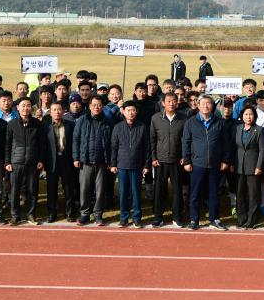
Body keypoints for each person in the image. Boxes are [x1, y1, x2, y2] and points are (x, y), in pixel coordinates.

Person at [183, 95, 231, 231]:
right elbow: (186, 142)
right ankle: (194, 219)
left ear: (212, 106)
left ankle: (214, 219)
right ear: (198, 106)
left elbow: (226, 144)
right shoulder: (191, 122)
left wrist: (225, 160)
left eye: (209, 104)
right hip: (197, 164)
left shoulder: (220, 122)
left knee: (214, 194)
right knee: (195, 194)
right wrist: (186, 160)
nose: (206, 106)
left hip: (215, 164)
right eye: (203, 104)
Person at [110, 100, 151, 228]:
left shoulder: (142, 127)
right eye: (128, 110)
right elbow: (113, 147)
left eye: (133, 110)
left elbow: (147, 148)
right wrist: (113, 164)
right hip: (122, 165)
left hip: (137, 166)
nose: (131, 113)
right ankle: (123, 217)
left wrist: (147, 165)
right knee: (123, 193)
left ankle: (137, 217)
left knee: (136, 193)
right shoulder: (117, 127)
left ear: (136, 112)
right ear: (123, 112)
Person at [5, 98, 46, 225]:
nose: (25, 108)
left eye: (28, 106)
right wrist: (7, 162)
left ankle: (31, 214)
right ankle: (15, 215)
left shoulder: (37, 124)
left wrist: (41, 160)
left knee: (32, 190)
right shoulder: (11, 124)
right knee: (15, 190)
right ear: (17, 107)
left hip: (33, 162)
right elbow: (7, 145)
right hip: (16, 162)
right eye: (23, 106)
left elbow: (42, 144)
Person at [73, 95, 112, 226]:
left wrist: (110, 161)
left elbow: (112, 143)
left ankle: (98, 214)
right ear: (89, 106)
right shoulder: (82, 120)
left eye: (99, 105)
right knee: (84, 189)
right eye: (94, 105)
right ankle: (84, 214)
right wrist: (76, 157)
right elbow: (76, 140)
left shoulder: (107, 121)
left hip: (102, 162)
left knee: (100, 190)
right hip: (85, 161)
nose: (96, 107)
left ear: (103, 107)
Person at [150, 92, 186, 227]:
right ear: (163, 103)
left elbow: (185, 140)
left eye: (174, 101)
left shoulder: (183, 118)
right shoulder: (155, 118)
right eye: (169, 101)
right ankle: (158, 217)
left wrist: (184, 156)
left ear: (177, 103)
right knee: (159, 190)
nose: (171, 103)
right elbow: (152, 140)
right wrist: (153, 157)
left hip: (177, 161)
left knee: (177, 190)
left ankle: (177, 216)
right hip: (160, 161)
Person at [233, 105, 264, 229]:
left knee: (253, 195)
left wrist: (259, 166)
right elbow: (234, 148)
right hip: (239, 167)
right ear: (242, 116)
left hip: (253, 167)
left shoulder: (259, 130)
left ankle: (252, 220)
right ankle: (241, 218)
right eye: (246, 114)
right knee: (240, 194)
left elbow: (262, 150)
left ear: (254, 116)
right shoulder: (237, 128)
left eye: (251, 114)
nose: (248, 117)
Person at [43, 102, 76, 222]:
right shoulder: (45, 126)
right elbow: (43, 146)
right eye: (54, 110)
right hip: (51, 161)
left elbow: (74, 143)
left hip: (66, 160)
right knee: (51, 189)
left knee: (68, 188)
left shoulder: (70, 125)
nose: (57, 112)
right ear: (50, 112)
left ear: (63, 111)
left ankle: (70, 213)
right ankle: (52, 213)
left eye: (59, 109)